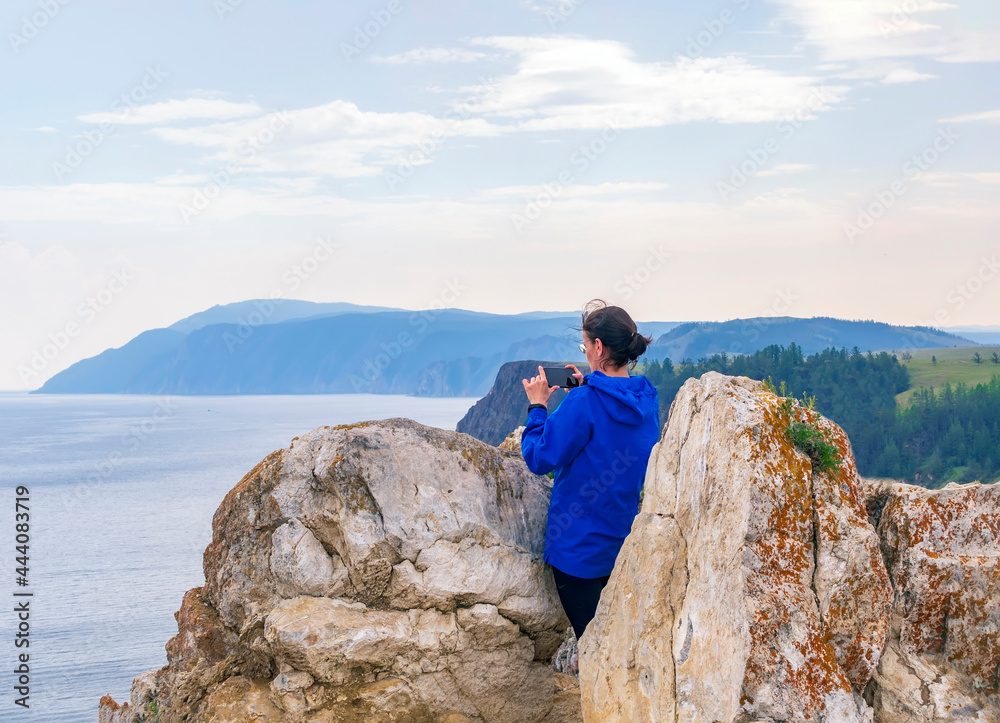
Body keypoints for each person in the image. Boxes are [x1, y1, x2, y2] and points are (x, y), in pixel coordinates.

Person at [520, 299, 660, 641]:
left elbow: (539, 458)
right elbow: (611, 437)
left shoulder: (584, 404)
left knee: (597, 649)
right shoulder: (647, 400)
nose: (584, 351)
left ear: (598, 347)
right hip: (622, 547)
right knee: (617, 645)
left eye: (585, 345)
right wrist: (587, 387)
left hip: (577, 552)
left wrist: (537, 407)